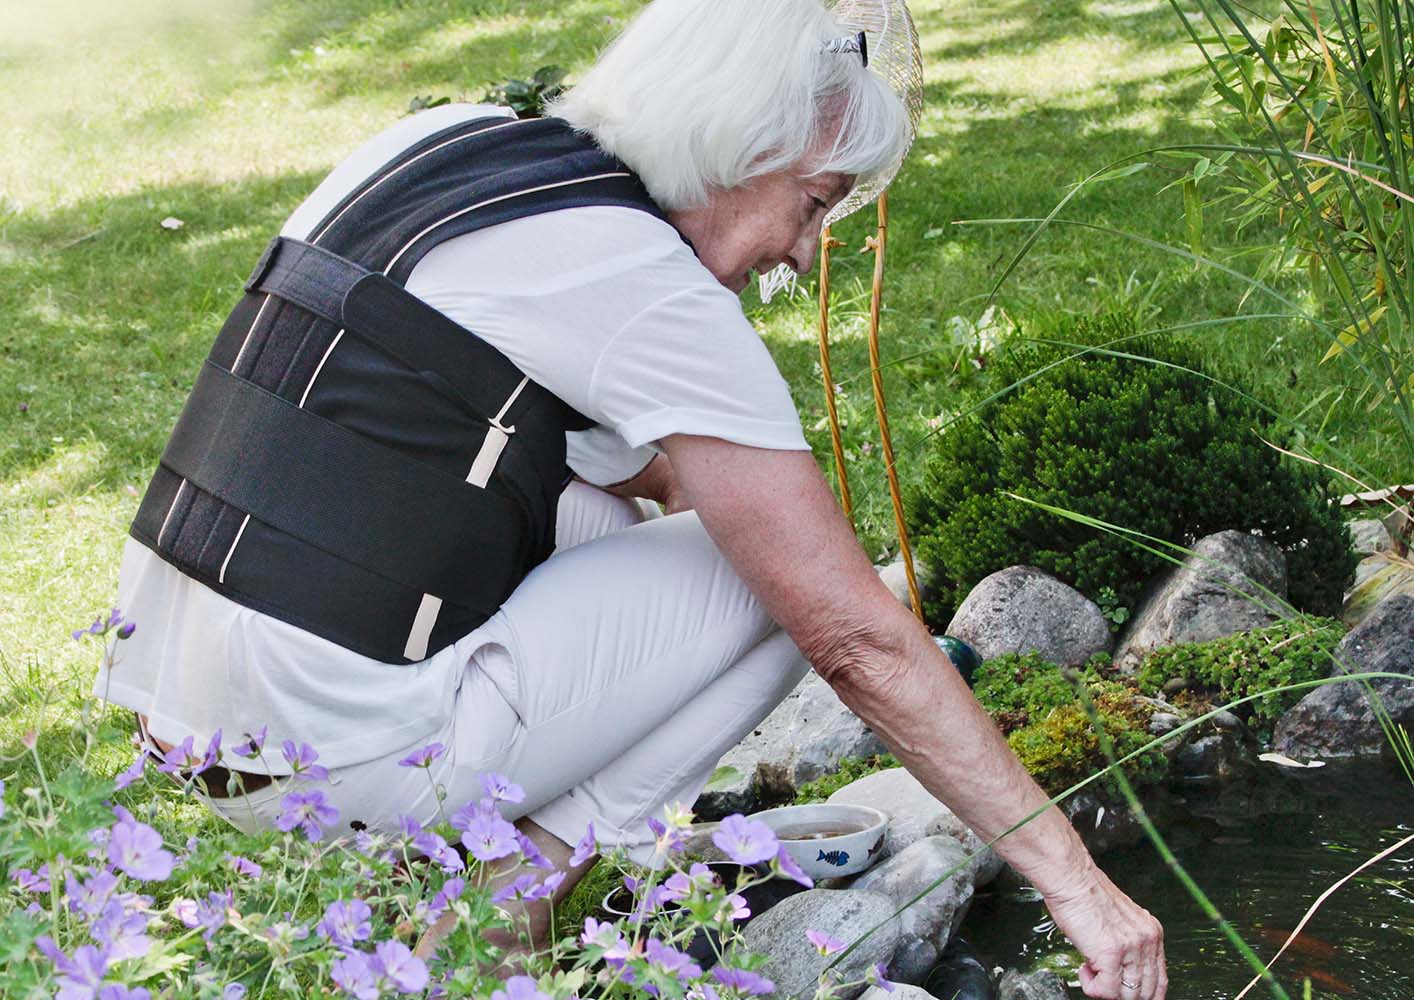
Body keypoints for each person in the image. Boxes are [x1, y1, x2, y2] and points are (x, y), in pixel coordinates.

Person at [100, 1, 1166, 997]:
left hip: (186, 719)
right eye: (812, 206)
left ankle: (486, 891)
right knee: (780, 582)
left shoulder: (454, 154)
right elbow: (853, 635)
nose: (801, 252)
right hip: (331, 754)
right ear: (747, 145)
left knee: (640, 520)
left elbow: (589, 459)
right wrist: (1081, 890)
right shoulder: (642, 282)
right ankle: (507, 903)